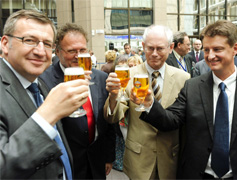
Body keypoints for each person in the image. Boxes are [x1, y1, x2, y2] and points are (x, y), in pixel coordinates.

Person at [139, 20, 237, 179]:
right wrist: (149, 104)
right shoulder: (192, 87)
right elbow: (170, 120)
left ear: (235, 48)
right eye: (206, 50)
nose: (210, 56)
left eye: (217, 49)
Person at [0, 9, 89, 179]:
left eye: (47, 44)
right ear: (5, 44)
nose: (40, 51)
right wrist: (48, 114)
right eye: (29, 40)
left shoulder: (39, 84)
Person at [104, 25, 190, 180]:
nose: (155, 54)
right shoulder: (127, 75)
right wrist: (112, 96)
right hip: (139, 160)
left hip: (171, 157)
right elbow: (113, 117)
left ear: (171, 48)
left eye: (160, 49)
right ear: (143, 47)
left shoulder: (183, 78)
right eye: (150, 48)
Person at [39, 23, 115, 179]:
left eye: (82, 50)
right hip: (65, 162)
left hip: (96, 160)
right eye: (72, 51)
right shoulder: (43, 80)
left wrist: (108, 156)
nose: (78, 55)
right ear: (58, 52)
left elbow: (106, 123)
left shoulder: (100, 78)